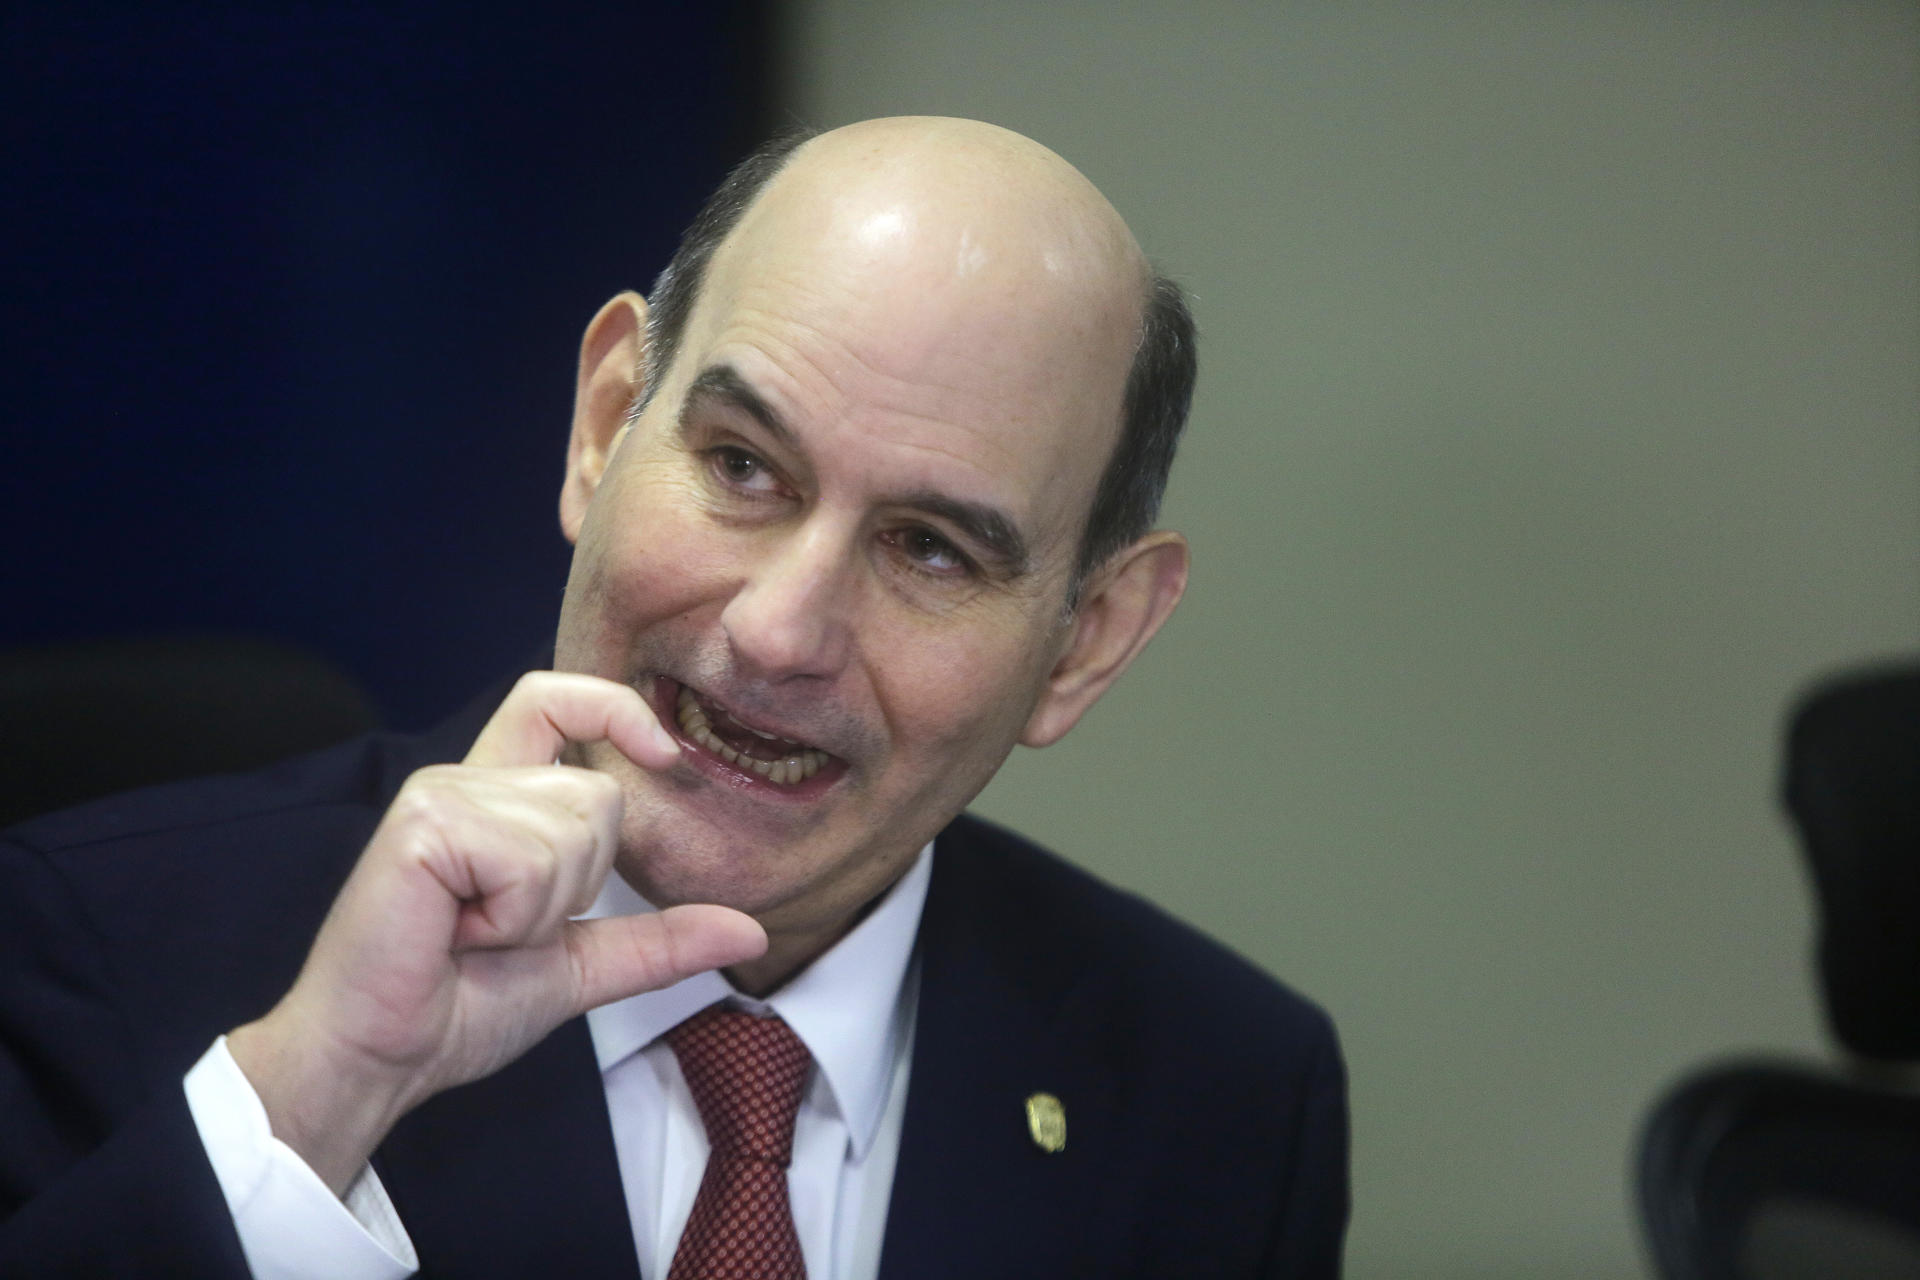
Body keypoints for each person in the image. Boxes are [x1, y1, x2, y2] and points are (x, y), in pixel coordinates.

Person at [0, 117, 1347, 1278]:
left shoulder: (1220, 1095)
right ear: (605, 424)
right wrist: (321, 1096)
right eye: (743, 466)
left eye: (930, 550)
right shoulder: (95, 944)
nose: (778, 630)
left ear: (1085, 642)